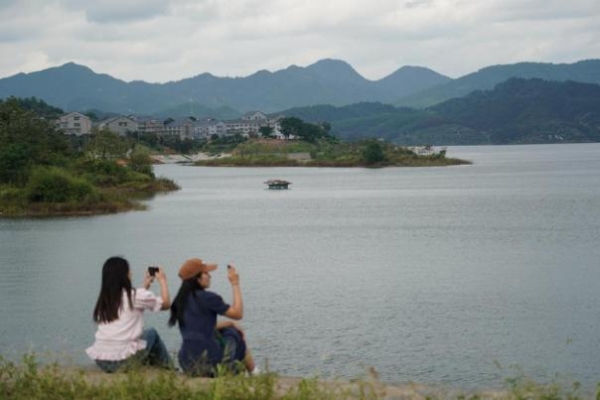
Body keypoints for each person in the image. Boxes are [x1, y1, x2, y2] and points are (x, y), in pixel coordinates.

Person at [169, 258, 258, 377]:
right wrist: (235, 283)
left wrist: (228, 323)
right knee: (234, 334)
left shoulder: (178, 301)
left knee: (228, 329)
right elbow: (238, 313)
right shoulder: (208, 298)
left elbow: (198, 327)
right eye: (206, 273)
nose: (209, 276)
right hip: (211, 363)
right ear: (197, 278)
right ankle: (252, 373)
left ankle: (250, 372)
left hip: (186, 363)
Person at [86, 256, 172, 373]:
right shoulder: (135, 296)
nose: (131, 273)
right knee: (152, 334)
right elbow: (166, 304)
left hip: (102, 361)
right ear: (124, 275)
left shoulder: (105, 299)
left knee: (138, 340)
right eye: (128, 270)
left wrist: (145, 285)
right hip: (122, 362)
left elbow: (133, 300)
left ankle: (152, 367)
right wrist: (163, 280)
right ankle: (169, 369)